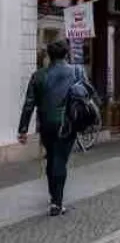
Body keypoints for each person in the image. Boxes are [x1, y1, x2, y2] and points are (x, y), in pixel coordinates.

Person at [17, 40, 90, 216]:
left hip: (47, 123)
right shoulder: (77, 71)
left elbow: (29, 104)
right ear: (66, 54)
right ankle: (57, 203)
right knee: (60, 160)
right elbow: (87, 94)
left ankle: (53, 197)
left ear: (49, 55)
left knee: (52, 158)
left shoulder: (38, 75)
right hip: (68, 122)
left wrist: (23, 129)